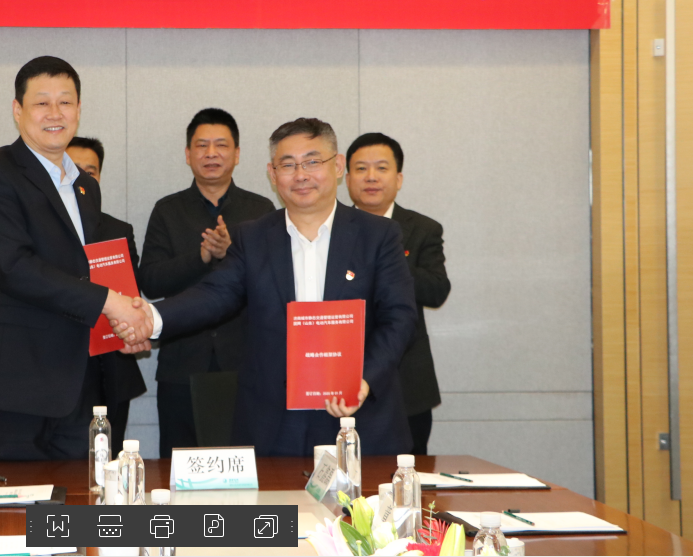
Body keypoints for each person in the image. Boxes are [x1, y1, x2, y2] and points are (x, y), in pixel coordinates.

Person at [115, 118, 417, 456]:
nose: (300, 175)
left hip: (357, 416)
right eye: (288, 165)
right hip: (273, 423)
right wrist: (151, 319)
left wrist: (364, 379)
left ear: (337, 166)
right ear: (273, 175)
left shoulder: (379, 235)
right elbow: (214, 294)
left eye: (312, 162)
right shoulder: (253, 236)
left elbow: (399, 317)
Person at [0, 56, 148, 461]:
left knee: (80, 501)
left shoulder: (84, 187)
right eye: (42, 103)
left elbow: (89, 273)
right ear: (18, 110)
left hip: (78, 387)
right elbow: (15, 269)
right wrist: (111, 303)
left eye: (66, 102)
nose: (55, 113)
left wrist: (122, 326)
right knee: (14, 503)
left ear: (79, 109)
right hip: (13, 388)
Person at [138, 108, 275, 457]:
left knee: (246, 464)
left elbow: (275, 284)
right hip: (182, 362)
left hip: (246, 363)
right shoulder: (167, 210)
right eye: (201, 145)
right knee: (179, 466)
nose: (211, 153)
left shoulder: (261, 210)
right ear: (188, 154)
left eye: (221, 145)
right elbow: (150, 281)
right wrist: (199, 257)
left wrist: (233, 253)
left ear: (237, 154)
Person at [346, 132, 450, 456]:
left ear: (399, 178)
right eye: (361, 169)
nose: (371, 177)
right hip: (342, 375)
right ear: (346, 178)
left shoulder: (423, 229)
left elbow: (437, 290)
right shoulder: (328, 228)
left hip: (407, 384)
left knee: (408, 474)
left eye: (381, 168)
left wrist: (387, 259)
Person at [66, 136, 148, 450]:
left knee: (111, 457)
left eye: (91, 171)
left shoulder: (118, 230)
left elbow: (131, 295)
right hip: (59, 367)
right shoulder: (39, 231)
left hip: (111, 366)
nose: (83, 178)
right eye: (74, 170)